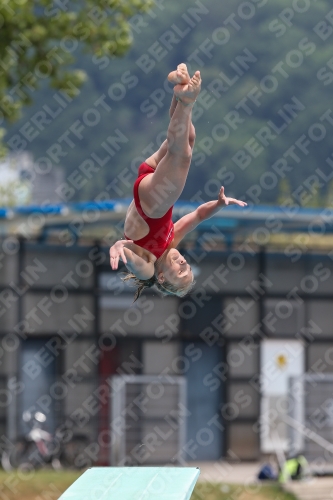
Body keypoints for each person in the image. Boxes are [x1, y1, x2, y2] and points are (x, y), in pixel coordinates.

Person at [109, 64, 247, 300]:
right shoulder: (171, 241)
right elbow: (198, 216)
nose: (184, 262)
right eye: (188, 266)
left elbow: (133, 262)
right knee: (187, 138)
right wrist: (219, 204)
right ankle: (180, 90)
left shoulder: (149, 267)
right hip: (150, 180)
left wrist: (119, 248)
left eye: (180, 271)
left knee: (182, 155)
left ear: (162, 278)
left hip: (152, 205)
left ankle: (187, 100)